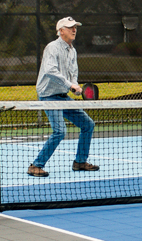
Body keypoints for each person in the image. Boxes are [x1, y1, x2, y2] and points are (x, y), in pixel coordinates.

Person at [28, 17, 99, 177]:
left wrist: (75, 86)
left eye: (75, 27)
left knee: (88, 124)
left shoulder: (72, 51)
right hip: (48, 96)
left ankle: (80, 162)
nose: (74, 30)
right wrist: (70, 85)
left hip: (63, 96)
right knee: (60, 131)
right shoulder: (52, 48)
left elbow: (73, 73)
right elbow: (50, 71)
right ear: (61, 31)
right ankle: (36, 165)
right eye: (70, 27)